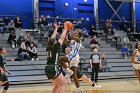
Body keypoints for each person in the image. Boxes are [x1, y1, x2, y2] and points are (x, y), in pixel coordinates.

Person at [45, 23, 68, 93]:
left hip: (47, 68)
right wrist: (66, 29)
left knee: (58, 85)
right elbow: (62, 37)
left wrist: (56, 28)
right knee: (64, 83)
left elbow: (52, 37)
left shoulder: (48, 47)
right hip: (53, 67)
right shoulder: (56, 47)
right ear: (54, 42)